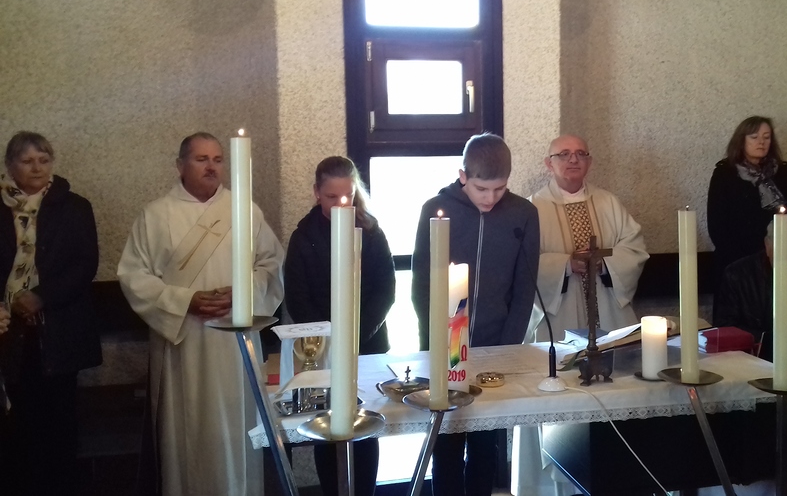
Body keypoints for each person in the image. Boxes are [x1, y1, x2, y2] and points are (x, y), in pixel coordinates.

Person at [117, 132, 284, 496]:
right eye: (201, 159)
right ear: (180, 165)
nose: (212, 167)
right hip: (183, 342)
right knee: (187, 432)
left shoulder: (245, 211)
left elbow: (271, 266)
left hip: (235, 343)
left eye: (218, 159)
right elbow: (133, 277)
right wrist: (184, 301)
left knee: (236, 430)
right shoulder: (155, 215)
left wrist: (242, 293)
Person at [412, 133, 540, 496]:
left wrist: (507, 348)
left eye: (500, 189)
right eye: (482, 188)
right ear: (463, 176)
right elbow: (422, 286)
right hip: (446, 346)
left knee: (487, 445)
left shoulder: (523, 213)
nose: (490, 198)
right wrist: (436, 343)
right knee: (446, 443)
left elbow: (524, 288)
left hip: (496, 342)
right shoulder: (436, 208)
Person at [284, 156, 395, 496]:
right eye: (331, 197)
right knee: (328, 427)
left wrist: (355, 335)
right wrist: (329, 339)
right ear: (317, 193)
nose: (340, 204)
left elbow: (385, 289)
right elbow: (297, 297)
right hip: (322, 349)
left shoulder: (371, 233)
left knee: (365, 426)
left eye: (347, 196)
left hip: (367, 342)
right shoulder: (304, 237)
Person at [0, 131, 102, 495]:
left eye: (43, 160)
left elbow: (84, 264)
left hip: (58, 329)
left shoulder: (75, 206)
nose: (37, 168)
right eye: (27, 161)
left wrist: (40, 297)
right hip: (7, 329)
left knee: (58, 419)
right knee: (16, 421)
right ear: (9, 166)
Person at [528, 134, 648, 340]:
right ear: (549, 163)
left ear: (589, 162)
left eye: (581, 154)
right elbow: (524, 263)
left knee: (612, 354)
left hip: (608, 308)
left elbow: (635, 248)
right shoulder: (532, 208)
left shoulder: (608, 202)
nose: (573, 160)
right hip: (558, 314)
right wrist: (566, 265)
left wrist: (605, 263)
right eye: (564, 154)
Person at [707, 116, 787, 297]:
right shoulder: (725, 174)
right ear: (741, 140)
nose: (761, 142)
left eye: (766, 137)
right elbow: (717, 225)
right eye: (754, 137)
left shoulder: (783, 173)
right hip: (737, 262)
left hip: (780, 260)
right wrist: (745, 262)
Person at [713, 216, 787, 372]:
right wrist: (766, 340)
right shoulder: (739, 275)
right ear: (768, 246)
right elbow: (725, 329)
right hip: (749, 367)